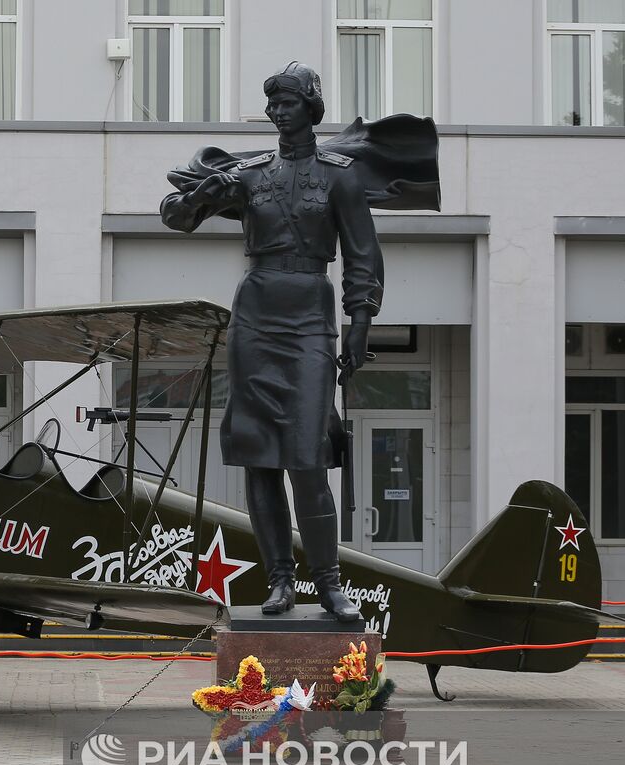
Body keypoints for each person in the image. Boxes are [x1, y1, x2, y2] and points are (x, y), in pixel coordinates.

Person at [160, 61, 439, 621]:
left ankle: (329, 582)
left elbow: (363, 255)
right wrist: (202, 195)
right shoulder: (249, 174)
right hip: (256, 313)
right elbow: (174, 217)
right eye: (273, 103)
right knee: (260, 458)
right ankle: (281, 581)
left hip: (311, 312)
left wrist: (360, 325)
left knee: (307, 456)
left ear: (311, 108)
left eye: (287, 102)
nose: (277, 112)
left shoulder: (340, 176)